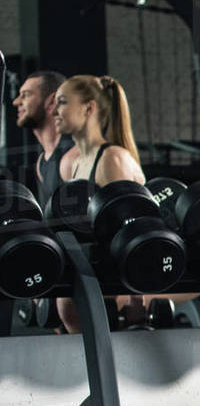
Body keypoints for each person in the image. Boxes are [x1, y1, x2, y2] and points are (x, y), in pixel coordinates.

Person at [52, 75, 149, 332]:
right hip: (89, 279)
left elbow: (129, 232)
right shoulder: (72, 163)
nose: (54, 111)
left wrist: (135, 300)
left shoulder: (112, 160)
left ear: (88, 108)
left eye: (62, 102)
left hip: (116, 283)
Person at [12, 70, 74, 207]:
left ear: (52, 101)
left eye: (25, 95)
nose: (16, 102)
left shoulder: (74, 155)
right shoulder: (41, 162)